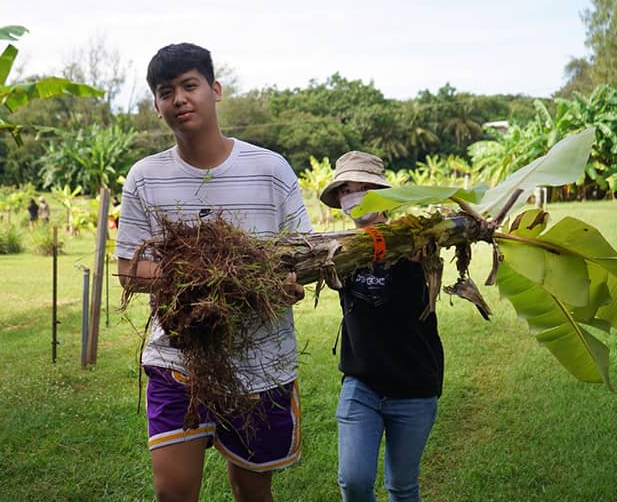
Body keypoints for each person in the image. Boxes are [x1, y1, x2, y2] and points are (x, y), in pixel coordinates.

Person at [115, 43, 312, 502]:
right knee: (173, 492)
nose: (179, 99)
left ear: (215, 89)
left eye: (189, 85)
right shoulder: (144, 177)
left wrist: (283, 286)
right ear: (158, 105)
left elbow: (301, 259)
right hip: (177, 358)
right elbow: (128, 271)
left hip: (260, 362)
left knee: (251, 489)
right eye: (167, 92)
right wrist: (201, 279)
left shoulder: (270, 169)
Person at [319, 151, 444, 502]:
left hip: (414, 385)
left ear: (383, 193)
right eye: (346, 189)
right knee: (354, 481)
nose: (354, 196)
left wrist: (416, 260)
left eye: (364, 188)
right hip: (362, 384)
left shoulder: (417, 240)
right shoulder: (336, 250)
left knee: (402, 487)